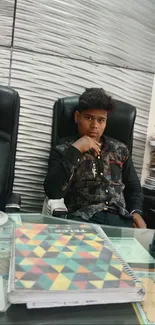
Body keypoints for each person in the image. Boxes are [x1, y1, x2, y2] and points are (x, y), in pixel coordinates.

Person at [44, 88, 146, 228]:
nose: (95, 126)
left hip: (120, 220)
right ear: (77, 117)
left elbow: (133, 187)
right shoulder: (63, 149)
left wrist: (136, 212)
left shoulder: (120, 149)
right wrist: (76, 149)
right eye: (89, 118)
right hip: (82, 221)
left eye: (101, 120)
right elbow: (53, 191)